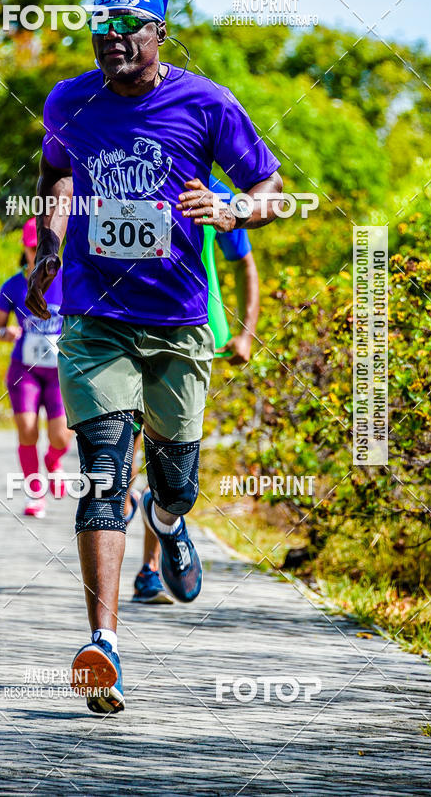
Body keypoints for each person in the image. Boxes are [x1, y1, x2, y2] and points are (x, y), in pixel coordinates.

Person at [26, 0, 284, 714]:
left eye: (129, 26)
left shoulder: (208, 103)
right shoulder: (69, 101)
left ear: (160, 32)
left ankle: (169, 523)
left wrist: (232, 208)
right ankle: (103, 645)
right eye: (100, 25)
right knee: (105, 471)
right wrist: (48, 247)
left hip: (179, 323)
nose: (112, 37)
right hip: (95, 317)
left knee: (175, 477)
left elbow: (267, 188)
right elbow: (55, 171)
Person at [128, 175, 260, 604]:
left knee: (164, 452)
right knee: (125, 441)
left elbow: (244, 263)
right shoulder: (119, 173)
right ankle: (127, 502)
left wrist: (246, 333)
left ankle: (151, 568)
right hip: (120, 328)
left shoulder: (215, 193)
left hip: (192, 332)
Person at [0, 218, 72, 519]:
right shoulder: (13, 285)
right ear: (24, 250)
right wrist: (7, 334)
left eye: (41, 249)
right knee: (27, 430)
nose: (36, 255)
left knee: (61, 437)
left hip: (58, 372)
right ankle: (35, 492)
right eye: (31, 249)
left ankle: (53, 461)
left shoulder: (68, 280)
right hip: (25, 370)